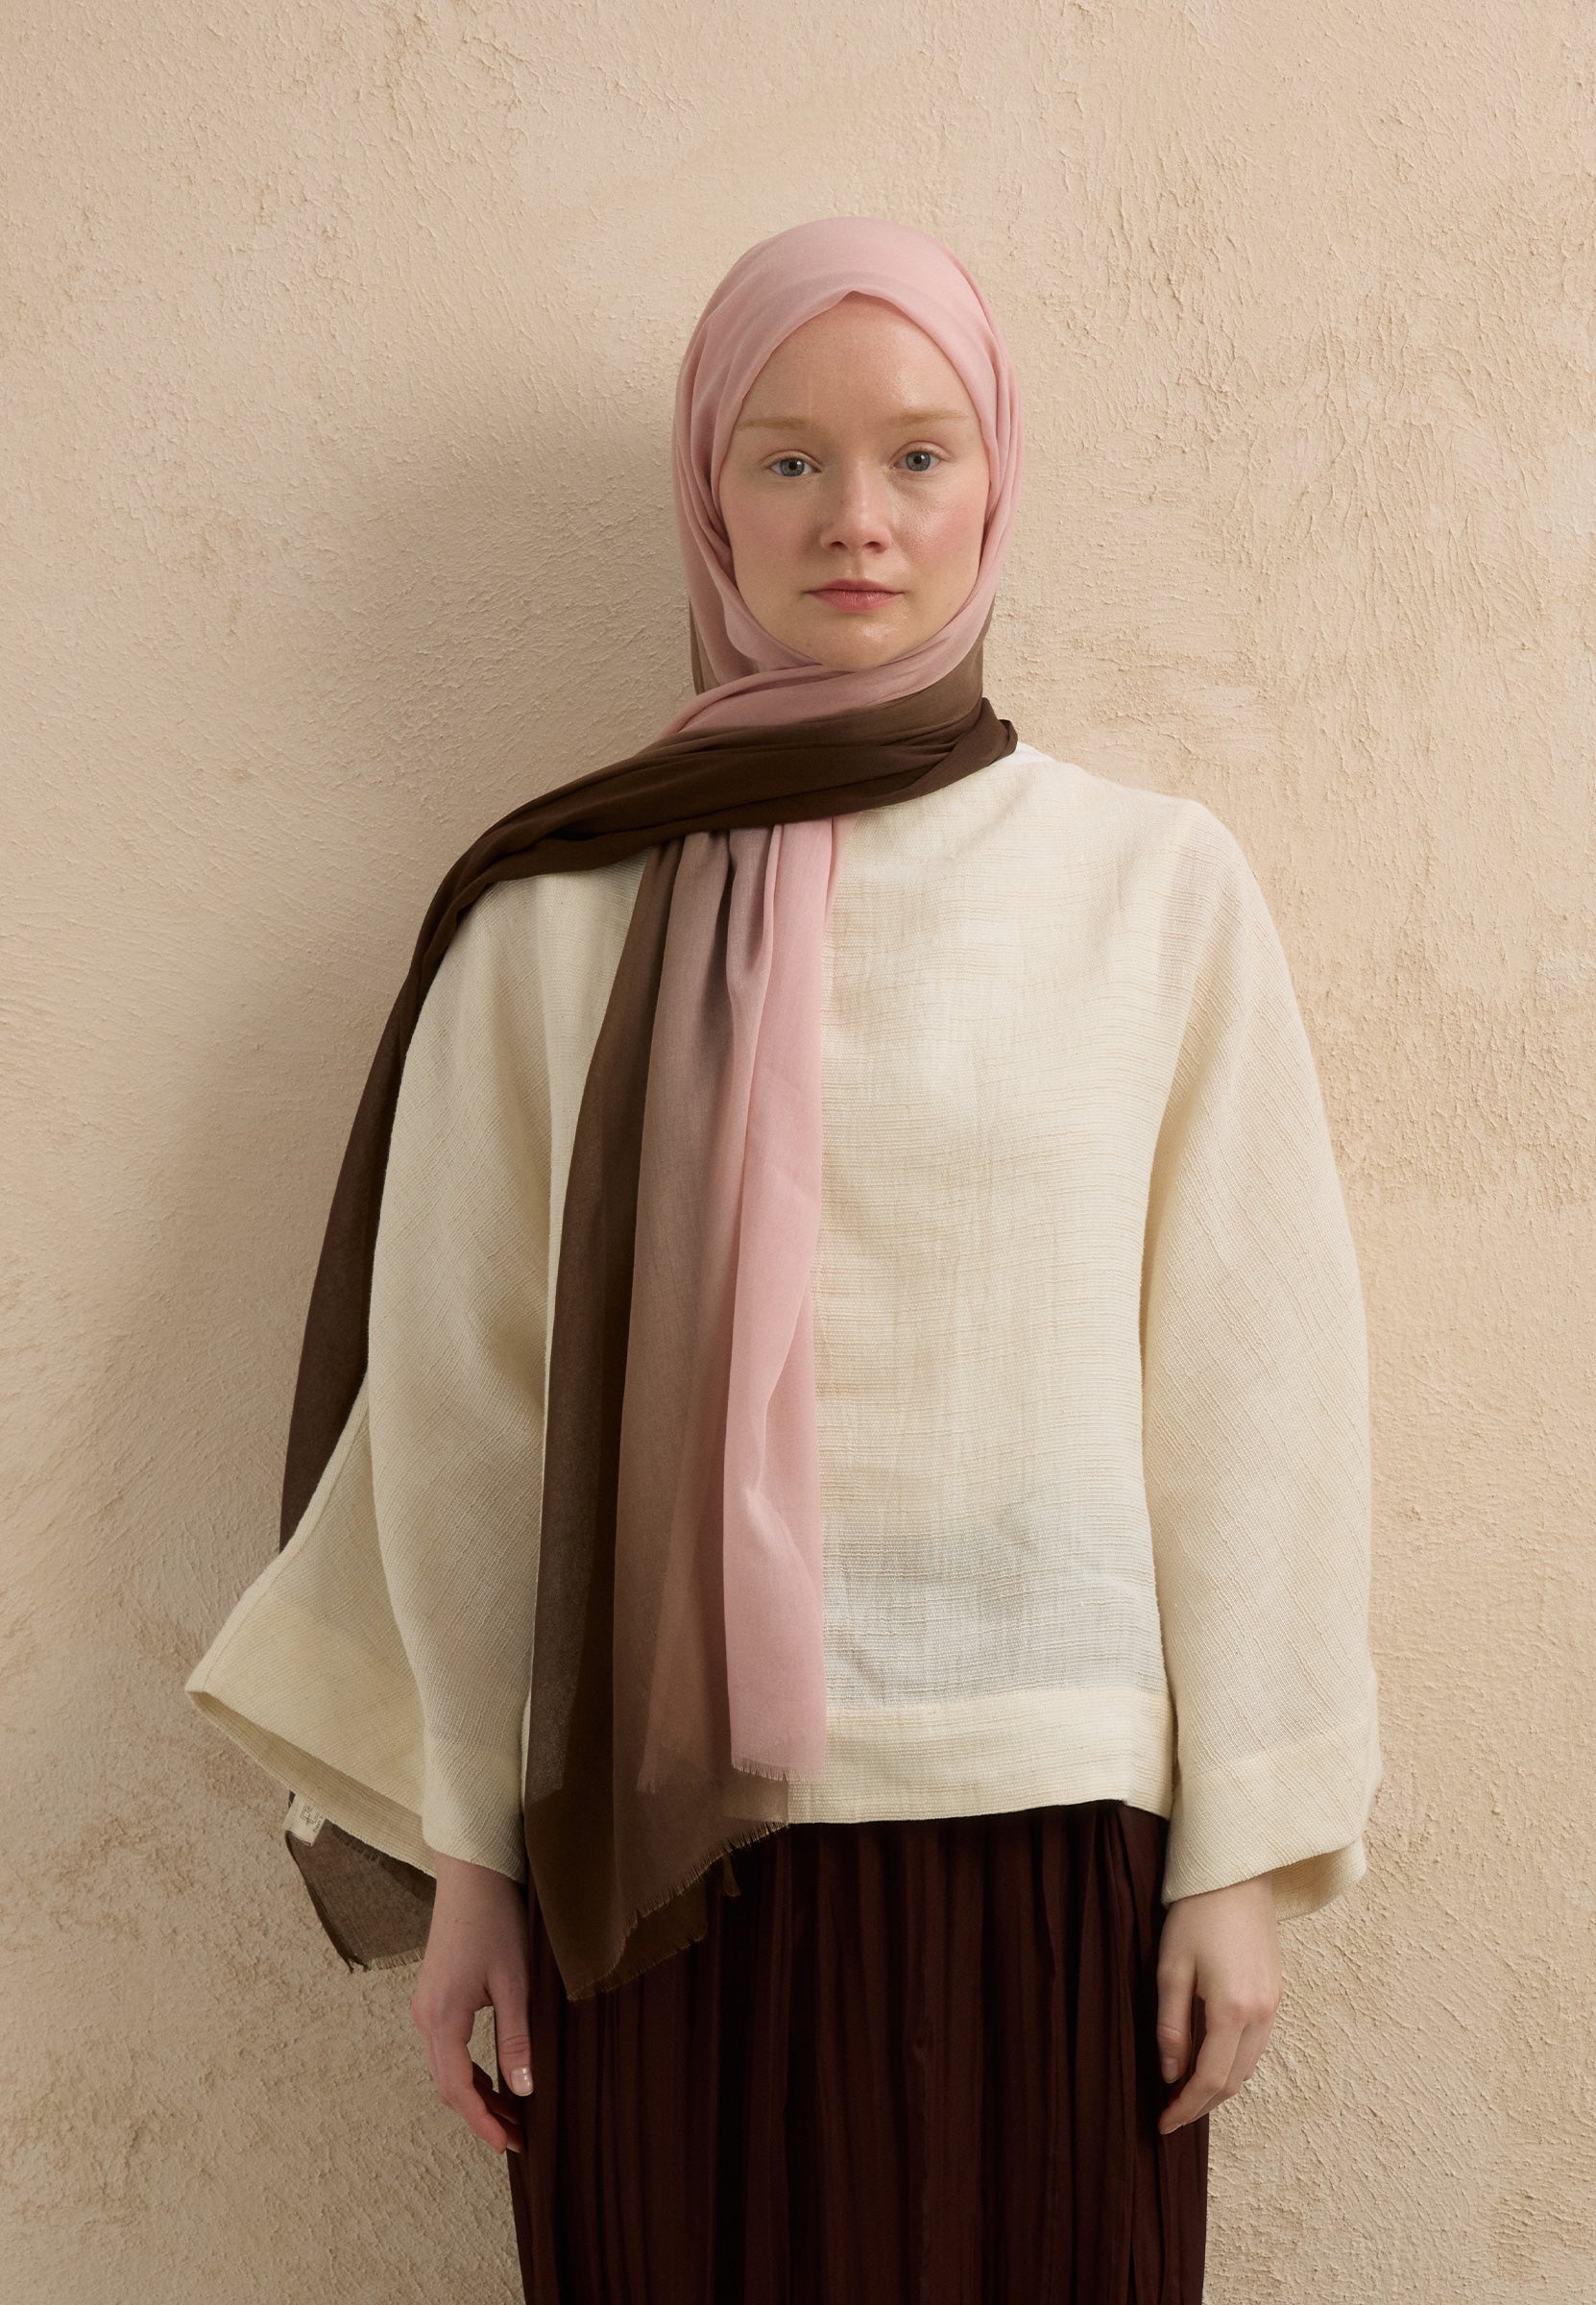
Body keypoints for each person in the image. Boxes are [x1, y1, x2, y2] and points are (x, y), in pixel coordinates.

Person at [186, 217, 1381, 2304]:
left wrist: (1242, 1864)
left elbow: (1253, 1387)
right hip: (650, 1869)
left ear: (997, 478)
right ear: (708, 491)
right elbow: (463, 1411)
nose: (857, 518)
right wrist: (464, 1856)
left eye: (918, 454)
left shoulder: (1152, 891)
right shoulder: (555, 915)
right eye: (789, 459)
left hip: (1047, 1845)